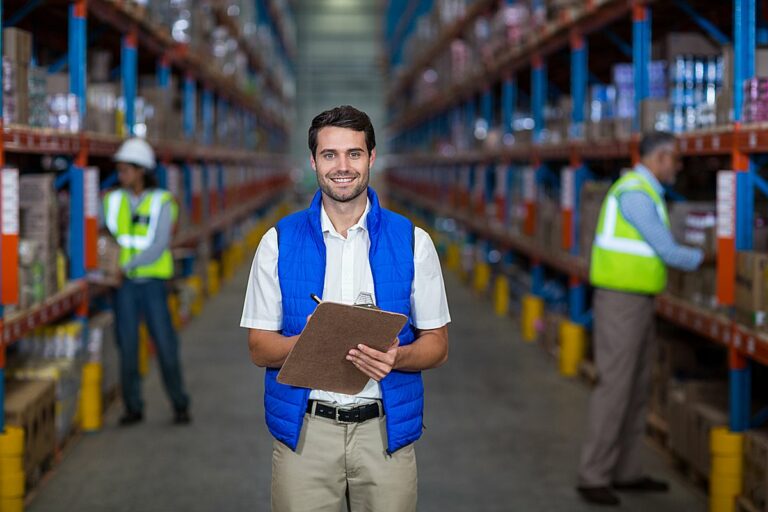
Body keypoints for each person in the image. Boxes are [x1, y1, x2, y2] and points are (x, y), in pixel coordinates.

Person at [241, 105, 450, 512]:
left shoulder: (413, 242)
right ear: (313, 161)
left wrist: (396, 358)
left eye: (354, 153)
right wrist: (311, 342)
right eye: (329, 154)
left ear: (371, 157)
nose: (342, 167)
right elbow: (259, 347)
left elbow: (438, 345)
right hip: (306, 435)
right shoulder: (278, 243)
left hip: (385, 435)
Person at [577, 131, 704, 506]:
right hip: (620, 301)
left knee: (636, 388)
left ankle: (626, 471)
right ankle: (593, 475)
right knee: (615, 387)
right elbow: (667, 250)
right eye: (675, 159)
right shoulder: (635, 193)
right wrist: (711, 259)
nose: (678, 167)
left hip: (639, 301)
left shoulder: (647, 191)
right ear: (659, 158)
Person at [103, 137, 191, 426]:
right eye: (119, 169)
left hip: (153, 284)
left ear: (141, 170)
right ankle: (133, 407)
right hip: (124, 287)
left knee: (165, 345)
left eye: (126, 169)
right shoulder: (112, 201)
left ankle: (179, 404)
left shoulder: (161, 202)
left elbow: (158, 245)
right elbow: (105, 237)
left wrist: (124, 266)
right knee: (127, 347)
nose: (121, 175)